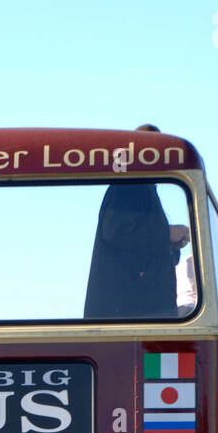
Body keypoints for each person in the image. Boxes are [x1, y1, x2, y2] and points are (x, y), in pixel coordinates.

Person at [84, 124, 178, 319]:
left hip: (147, 307)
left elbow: (142, 247)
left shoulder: (143, 187)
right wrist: (166, 234)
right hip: (135, 311)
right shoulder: (129, 185)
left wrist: (171, 244)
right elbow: (117, 232)